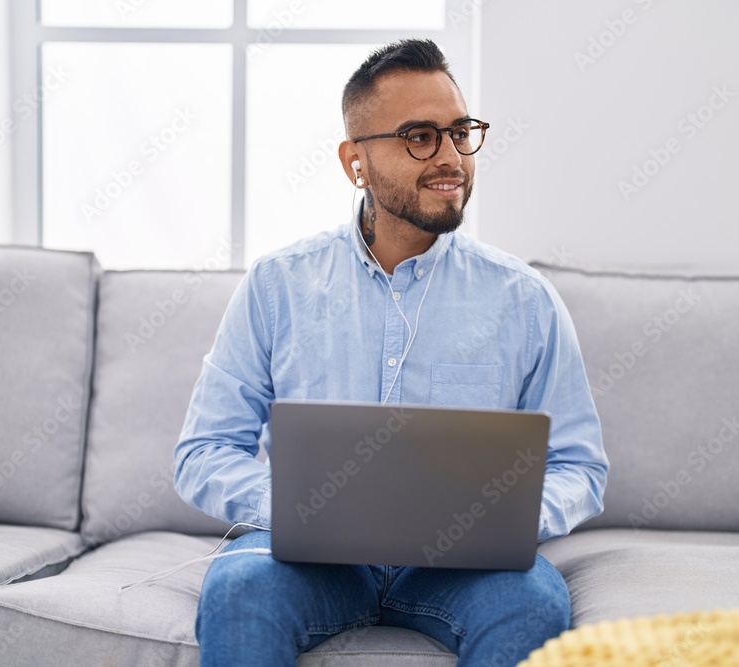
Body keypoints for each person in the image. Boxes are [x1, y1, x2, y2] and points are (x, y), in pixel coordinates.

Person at [174, 38, 608, 667]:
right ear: (356, 160)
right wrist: (307, 511)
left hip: (462, 570)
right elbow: (203, 451)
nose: (451, 158)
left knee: (533, 604)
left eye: (461, 132)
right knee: (240, 591)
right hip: (308, 561)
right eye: (419, 137)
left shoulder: (525, 301)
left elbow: (580, 467)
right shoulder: (278, 285)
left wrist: (498, 521)